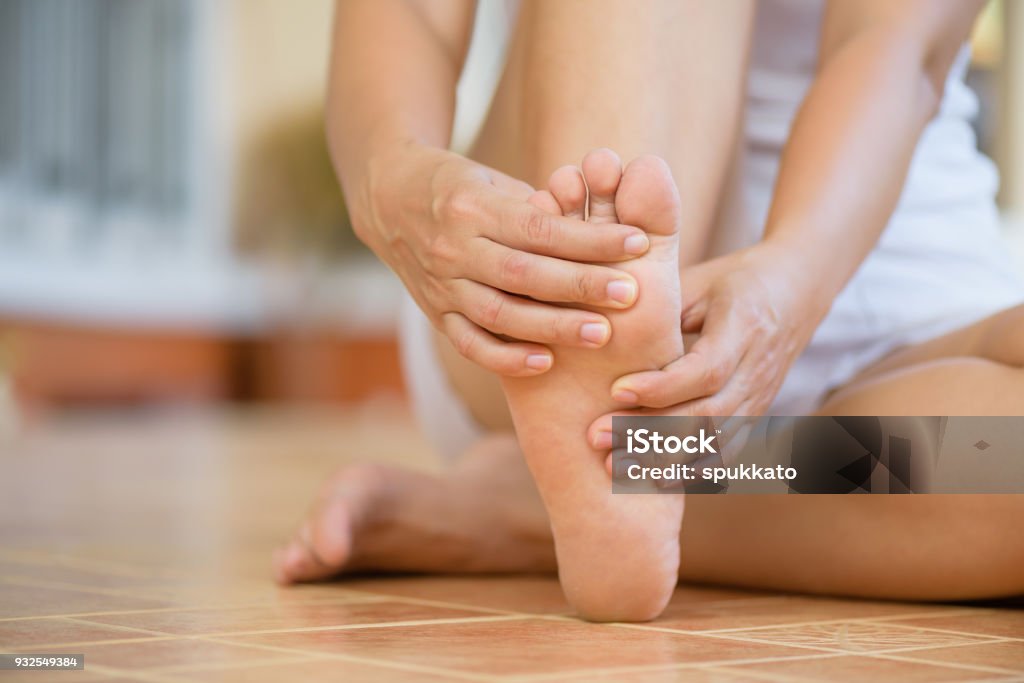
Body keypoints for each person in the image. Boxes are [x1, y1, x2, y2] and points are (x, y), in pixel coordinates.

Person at [274, 0, 1024, 622]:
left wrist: (791, 282)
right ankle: (613, 424)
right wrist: (396, 178)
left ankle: (544, 508)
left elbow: (895, 45)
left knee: (1006, 457)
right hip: (543, 294)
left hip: (878, 280)